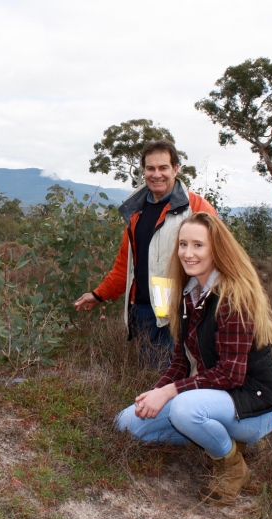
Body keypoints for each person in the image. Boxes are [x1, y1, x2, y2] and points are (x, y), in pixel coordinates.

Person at [116, 212, 272, 506]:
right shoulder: (189, 294)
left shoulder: (234, 298)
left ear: (216, 249)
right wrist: (157, 392)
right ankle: (217, 436)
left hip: (253, 406)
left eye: (198, 245)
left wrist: (170, 393)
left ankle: (231, 465)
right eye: (183, 244)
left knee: (183, 409)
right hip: (212, 398)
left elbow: (232, 375)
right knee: (129, 424)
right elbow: (181, 362)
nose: (188, 253)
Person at [74, 140, 216, 369]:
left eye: (163, 167)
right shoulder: (136, 210)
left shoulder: (196, 208)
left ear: (176, 169)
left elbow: (219, 258)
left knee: (181, 378)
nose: (156, 174)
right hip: (142, 311)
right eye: (150, 168)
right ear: (144, 171)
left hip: (181, 312)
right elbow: (125, 266)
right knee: (151, 379)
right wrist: (98, 294)